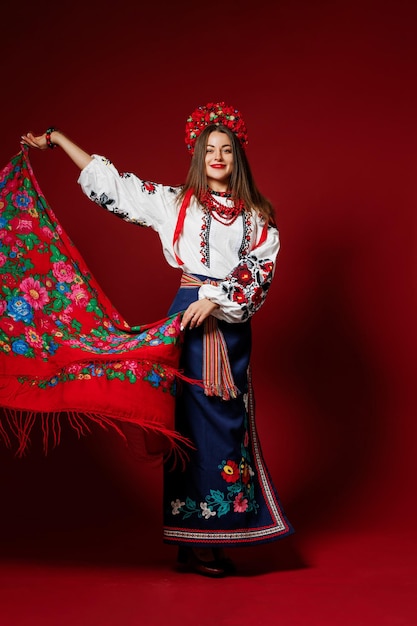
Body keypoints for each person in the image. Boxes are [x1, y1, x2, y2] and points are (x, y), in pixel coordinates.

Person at [21, 102, 293, 577]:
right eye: (210, 149)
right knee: (182, 427)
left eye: (226, 150)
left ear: (238, 157)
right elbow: (117, 185)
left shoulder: (257, 218)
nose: (218, 157)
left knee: (224, 426)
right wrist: (61, 140)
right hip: (185, 322)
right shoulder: (176, 202)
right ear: (197, 155)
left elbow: (259, 271)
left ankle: (215, 532)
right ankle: (190, 540)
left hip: (226, 329)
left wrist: (217, 296)